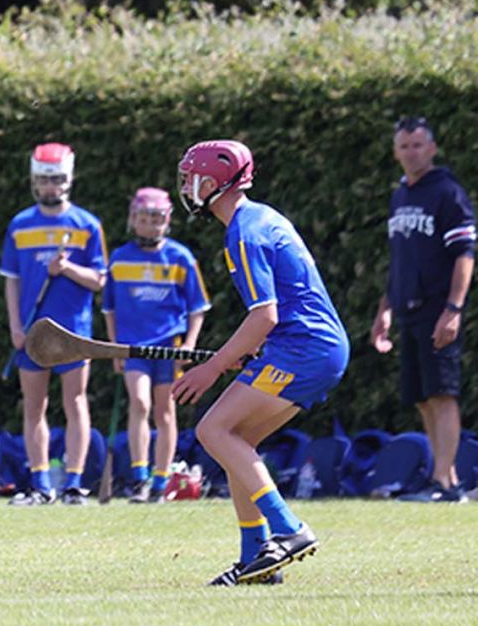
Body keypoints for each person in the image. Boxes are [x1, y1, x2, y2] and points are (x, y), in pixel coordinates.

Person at [171, 139, 349, 586]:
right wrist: (244, 352)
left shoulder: (243, 232)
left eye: (191, 179)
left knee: (212, 430)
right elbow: (277, 314)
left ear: (212, 184)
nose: (187, 188)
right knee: (237, 440)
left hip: (304, 348)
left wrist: (212, 368)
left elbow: (264, 315)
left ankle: (288, 529)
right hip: (312, 347)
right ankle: (257, 557)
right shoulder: (261, 217)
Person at [370, 116, 475, 502]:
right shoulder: (401, 194)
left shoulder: (447, 192)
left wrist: (454, 308)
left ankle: (447, 484)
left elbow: (465, 253)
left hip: (437, 309)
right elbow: (400, 259)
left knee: (443, 394)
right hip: (408, 310)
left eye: (418, 145)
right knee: (422, 395)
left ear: (432, 148)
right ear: (396, 152)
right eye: (404, 146)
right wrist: (385, 310)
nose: (411, 152)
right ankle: (440, 476)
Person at [0, 143, 107, 505]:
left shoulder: (87, 225)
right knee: (34, 407)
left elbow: (100, 281)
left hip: (74, 332)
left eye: (58, 179)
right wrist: (15, 325)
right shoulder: (20, 224)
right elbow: (11, 280)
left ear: (69, 180)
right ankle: (41, 484)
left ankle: (74, 484)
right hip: (32, 334)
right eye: (45, 180)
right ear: (34, 181)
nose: (51, 187)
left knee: (76, 402)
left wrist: (67, 269)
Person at [102, 187, 210, 502]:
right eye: (145, 219)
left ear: (167, 221)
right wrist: (114, 347)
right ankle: (139, 479)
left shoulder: (180, 258)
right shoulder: (120, 259)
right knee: (139, 403)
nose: (151, 225)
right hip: (134, 348)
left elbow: (197, 309)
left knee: (165, 412)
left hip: (168, 346)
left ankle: (161, 482)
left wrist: (189, 344)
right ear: (133, 220)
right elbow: (109, 310)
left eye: (157, 219)